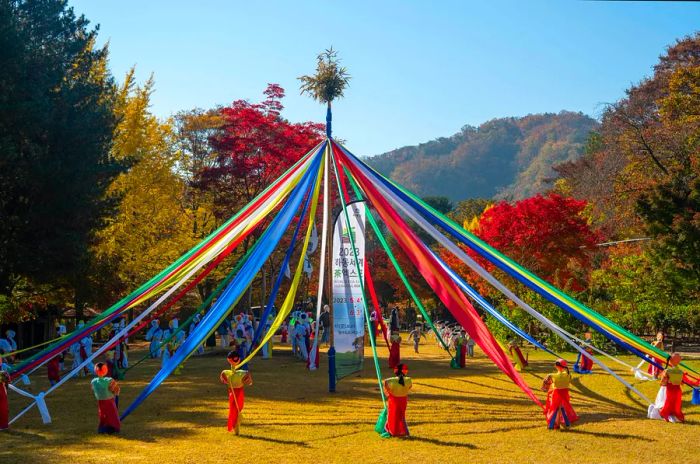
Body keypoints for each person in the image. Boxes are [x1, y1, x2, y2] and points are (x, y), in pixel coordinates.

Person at [219, 351, 253, 435]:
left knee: (234, 408)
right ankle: (235, 424)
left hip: (233, 392)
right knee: (236, 408)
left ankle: (235, 424)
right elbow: (250, 383)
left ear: (228, 359)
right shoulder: (242, 373)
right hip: (237, 391)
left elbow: (223, 381)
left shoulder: (225, 373)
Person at [542, 359, 578, 430]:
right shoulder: (568, 374)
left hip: (556, 394)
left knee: (554, 408)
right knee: (562, 408)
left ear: (557, 366)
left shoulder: (552, 375)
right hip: (565, 394)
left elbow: (546, 386)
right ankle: (565, 423)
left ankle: (555, 424)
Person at [653, 353, 685, 423]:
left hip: (670, 388)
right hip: (678, 389)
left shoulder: (667, 371)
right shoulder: (681, 371)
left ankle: (665, 414)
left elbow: (663, 381)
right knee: (677, 403)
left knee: (668, 402)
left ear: (670, 361)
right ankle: (678, 415)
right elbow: (682, 382)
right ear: (679, 361)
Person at [383, 363, 412, 437]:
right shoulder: (409, 380)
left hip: (394, 401)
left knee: (392, 415)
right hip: (403, 401)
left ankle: (393, 431)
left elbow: (385, 383)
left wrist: (389, 393)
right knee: (401, 416)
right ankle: (402, 431)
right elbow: (409, 387)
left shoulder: (391, 381)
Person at [91, 362, 121, 434]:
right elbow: (115, 389)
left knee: (103, 414)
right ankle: (113, 428)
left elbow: (93, 389)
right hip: (109, 400)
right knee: (112, 414)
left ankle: (103, 428)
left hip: (100, 401)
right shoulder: (109, 380)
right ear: (105, 370)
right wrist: (116, 392)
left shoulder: (93, 381)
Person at [0, 358, 9, 431]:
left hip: (2, 392)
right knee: (3, 409)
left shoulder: (3, 373)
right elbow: (8, 381)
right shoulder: (4, 373)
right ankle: (3, 425)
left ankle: (3, 425)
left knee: (3, 409)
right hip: (2, 392)